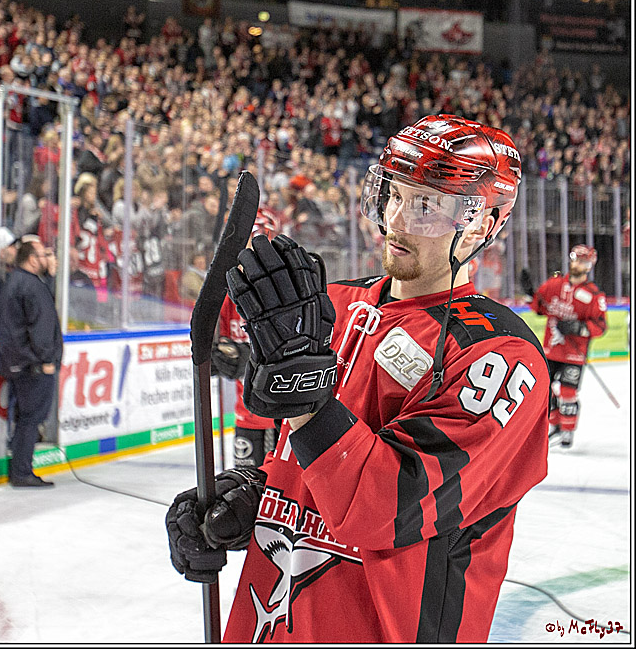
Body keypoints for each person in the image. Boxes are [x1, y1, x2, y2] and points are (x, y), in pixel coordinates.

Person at [166, 115, 550, 642]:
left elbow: (385, 506)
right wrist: (249, 494)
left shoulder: (499, 356)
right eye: (395, 195)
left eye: (426, 206)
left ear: (482, 224)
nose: (396, 221)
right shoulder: (336, 303)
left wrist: (303, 394)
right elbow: (303, 465)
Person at [212, 208, 282, 468]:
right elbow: (213, 346)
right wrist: (212, 356)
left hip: (286, 419)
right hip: (247, 417)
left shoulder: (284, 293)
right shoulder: (227, 296)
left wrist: (254, 359)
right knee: (245, 487)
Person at [0, 236, 62, 488]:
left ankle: (21, 468)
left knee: (26, 418)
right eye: (44, 255)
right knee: (31, 419)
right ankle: (22, 471)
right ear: (33, 260)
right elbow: (42, 326)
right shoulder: (32, 286)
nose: (48, 259)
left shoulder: (16, 281)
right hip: (33, 365)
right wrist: (46, 360)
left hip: (20, 362)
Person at [527, 245, 608, 448]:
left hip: (574, 353)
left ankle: (567, 431)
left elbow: (600, 326)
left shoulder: (593, 294)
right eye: (575, 259)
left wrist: (578, 327)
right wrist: (529, 294)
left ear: (589, 266)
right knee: (543, 388)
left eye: (583, 261)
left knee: (568, 392)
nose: (578, 264)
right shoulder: (554, 284)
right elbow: (539, 307)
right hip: (550, 349)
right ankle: (554, 424)